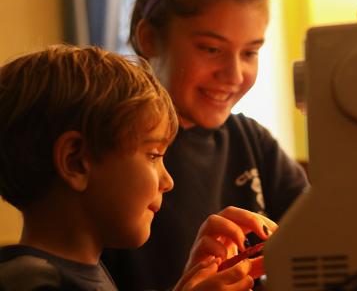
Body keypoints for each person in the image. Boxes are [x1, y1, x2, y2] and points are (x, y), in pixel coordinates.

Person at [0, 45, 277, 290]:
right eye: (154, 155)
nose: (168, 181)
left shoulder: (84, 271)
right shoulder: (31, 280)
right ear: (76, 161)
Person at [101, 0, 310, 290]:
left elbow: (322, 231)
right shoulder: (108, 149)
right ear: (150, 38)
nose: (234, 74)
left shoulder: (252, 141)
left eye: (250, 52)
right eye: (211, 49)